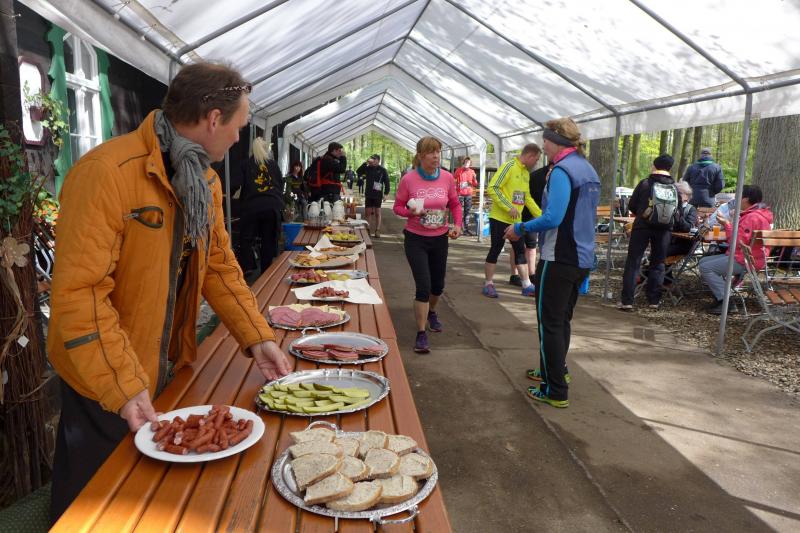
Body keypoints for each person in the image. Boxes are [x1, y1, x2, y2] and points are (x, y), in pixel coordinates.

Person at [47, 62, 292, 524]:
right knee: (91, 508)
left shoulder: (205, 181)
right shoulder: (105, 173)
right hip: (101, 378)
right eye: (239, 126)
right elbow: (80, 294)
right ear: (214, 119)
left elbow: (218, 266)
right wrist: (122, 384)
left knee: (151, 504)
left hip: (163, 368)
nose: (239, 138)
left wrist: (258, 338)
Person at [504, 118, 600, 408]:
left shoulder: (562, 171)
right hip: (581, 257)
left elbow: (553, 217)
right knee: (561, 320)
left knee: (549, 324)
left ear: (556, 141)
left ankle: (555, 389)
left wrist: (520, 228)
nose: (542, 145)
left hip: (559, 257)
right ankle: (555, 370)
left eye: (545, 140)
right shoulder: (587, 168)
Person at [393, 136, 462, 354]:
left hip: (440, 238)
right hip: (416, 239)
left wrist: (457, 225)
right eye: (431, 152)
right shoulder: (409, 179)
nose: (436, 156)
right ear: (421, 156)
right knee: (423, 286)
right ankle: (421, 333)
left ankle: (432, 311)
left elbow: (455, 204)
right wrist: (411, 212)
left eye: (438, 152)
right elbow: (397, 207)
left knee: (437, 286)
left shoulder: (447, 177)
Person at [618, 155, 679, 311]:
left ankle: (627, 301)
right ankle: (654, 300)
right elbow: (677, 211)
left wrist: (643, 213)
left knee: (634, 261)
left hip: (642, 226)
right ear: (670, 168)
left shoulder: (645, 183)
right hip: (664, 229)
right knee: (658, 263)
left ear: (654, 166)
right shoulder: (674, 188)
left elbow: (632, 205)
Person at [699, 185, 773, 314]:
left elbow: (737, 242)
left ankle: (726, 301)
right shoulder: (758, 215)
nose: (735, 199)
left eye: (738, 196)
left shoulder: (752, 217)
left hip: (746, 260)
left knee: (706, 267)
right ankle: (721, 295)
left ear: (745, 199)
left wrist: (726, 224)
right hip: (751, 257)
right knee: (703, 262)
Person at [483, 144, 542, 298]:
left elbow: (527, 198)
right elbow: (493, 188)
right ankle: (488, 284)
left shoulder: (526, 173)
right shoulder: (508, 166)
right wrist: (508, 207)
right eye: (536, 160)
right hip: (499, 218)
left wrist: (541, 216)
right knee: (495, 249)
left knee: (520, 251)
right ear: (529, 156)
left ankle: (526, 285)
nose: (536, 163)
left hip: (516, 221)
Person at [239, 137, 285, 274]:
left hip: (252, 206)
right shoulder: (273, 164)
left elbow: (237, 184)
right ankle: (266, 271)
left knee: (246, 238)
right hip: (271, 206)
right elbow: (280, 183)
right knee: (268, 240)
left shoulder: (246, 164)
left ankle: (248, 267)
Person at [510, 161, 551, 285]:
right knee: (517, 244)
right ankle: (514, 275)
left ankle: (532, 274)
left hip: (536, 214)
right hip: (523, 213)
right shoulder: (534, 176)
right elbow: (521, 195)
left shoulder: (556, 176)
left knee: (532, 245)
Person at [357, 154, 390, 237]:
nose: (372, 160)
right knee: (367, 213)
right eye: (372, 159)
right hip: (369, 193)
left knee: (377, 213)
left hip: (378, 194)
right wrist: (365, 163)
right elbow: (358, 171)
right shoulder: (367, 168)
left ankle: (377, 230)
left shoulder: (382, 170)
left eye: (374, 159)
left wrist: (386, 193)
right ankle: (368, 229)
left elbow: (387, 182)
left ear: (378, 161)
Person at [666, 181, 698, 257]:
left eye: (680, 193)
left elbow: (688, 228)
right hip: (668, 240)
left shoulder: (691, 209)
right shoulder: (669, 206)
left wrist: (678, 216)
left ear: (687, 196)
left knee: (661, 251)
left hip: (683, 243)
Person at [453, 156, 478, 235]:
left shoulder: (472, 171)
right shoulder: (459, 170)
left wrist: (474, 179)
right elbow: (453, 178)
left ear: (470, 163)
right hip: (460, 194)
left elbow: (475, 184)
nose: (467, 163)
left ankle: (466, 229)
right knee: (459, 211)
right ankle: (459, 228)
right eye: (466, 162)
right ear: (463, 162)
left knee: (467, 211)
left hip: (468, 194)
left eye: (468, 162)